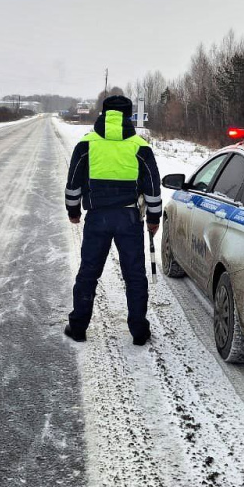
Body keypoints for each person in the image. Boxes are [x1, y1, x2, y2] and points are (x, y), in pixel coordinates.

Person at [63, 95, 162, 345]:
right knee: (134, 275)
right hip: (129, 218)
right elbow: (152, 186)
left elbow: (73, 184)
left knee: (88, 273)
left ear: (103, 114)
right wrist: (153, 217)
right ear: (129, 116)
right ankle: (139, 331)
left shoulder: (86, 144)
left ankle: (78, 327)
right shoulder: (140, 146)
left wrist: (73, 212)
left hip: (97, 218)